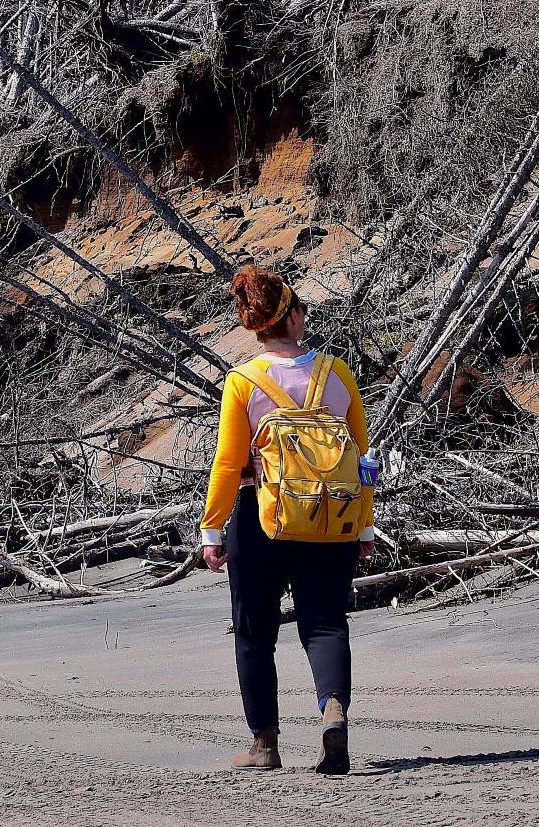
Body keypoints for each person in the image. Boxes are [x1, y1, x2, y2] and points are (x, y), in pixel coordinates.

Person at [200, 263, 374, 774]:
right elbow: (362, 459)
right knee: (325, 623)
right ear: (293, 317)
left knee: (255, 633)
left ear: (256, 324)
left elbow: (228, 462)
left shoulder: (242, 382)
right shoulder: (337, 374)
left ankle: (264, 744)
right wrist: (363, 524)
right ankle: (333, 709)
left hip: (261, 519)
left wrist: (212, 529)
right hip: (332, 517)